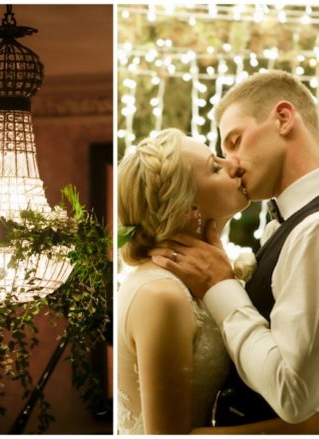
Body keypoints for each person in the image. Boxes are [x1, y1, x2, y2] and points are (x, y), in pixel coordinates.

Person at [117, 128, 319, 434]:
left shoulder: (202, 280)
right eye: (215, 167)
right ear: (189, 207)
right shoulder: (161, 295)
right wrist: (303, 428)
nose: (234, 165)